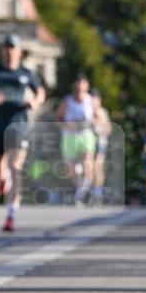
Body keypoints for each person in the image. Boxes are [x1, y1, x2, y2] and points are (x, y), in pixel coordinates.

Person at [0, 34, 40, 231]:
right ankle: (2, 180)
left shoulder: (26, 73)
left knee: (16, 166)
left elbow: (40, 92)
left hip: (19, 124)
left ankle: (11, 213)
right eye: (6, 47)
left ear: (18, 51)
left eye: (13, 48)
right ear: (2, 50)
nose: (9, 51)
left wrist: (35, 101)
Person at [56, 74, 96, 205]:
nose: (79, 86)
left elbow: (99, 116)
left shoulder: (91, 100)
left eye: (82, 83)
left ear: (87, 86)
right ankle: (80, 187)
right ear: (74, 85)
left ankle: (80, 195)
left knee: (87, 165)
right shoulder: (67, 101)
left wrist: (94, 122)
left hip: (86, 136)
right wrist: (68, 125)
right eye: (77, 83)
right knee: (71, 169)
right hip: (69, 136)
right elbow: (57, 119)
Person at [90, 89, 112, 203]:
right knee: (89, 168)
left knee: (97, 167)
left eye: (95, 99)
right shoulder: (86, 110)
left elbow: (108, 130)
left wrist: (100, 121)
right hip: (87, 143)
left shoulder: (103, 112)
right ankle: (89, 191)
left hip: (100, 142)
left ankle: (97, 193)